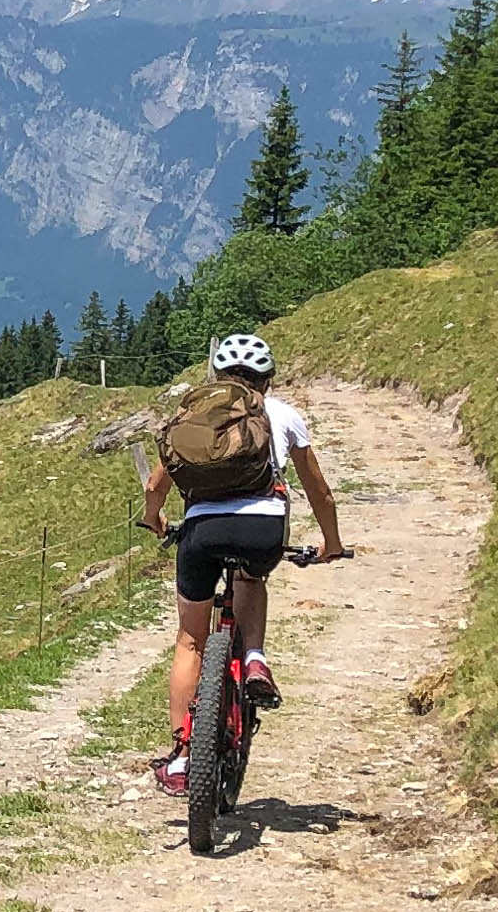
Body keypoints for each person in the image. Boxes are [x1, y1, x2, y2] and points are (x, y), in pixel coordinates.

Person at [137, 332, 346, 792]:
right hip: (263, 528)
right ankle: (254, 659)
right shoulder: (285, 415)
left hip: (201, 532)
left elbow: (156, 487)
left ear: (216, 376)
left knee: (191, 639)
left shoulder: (194, 414)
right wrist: (331, 543)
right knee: (251, 578)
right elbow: (319, 490)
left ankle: (182, 756)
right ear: (267, 381)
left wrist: (154, 521)